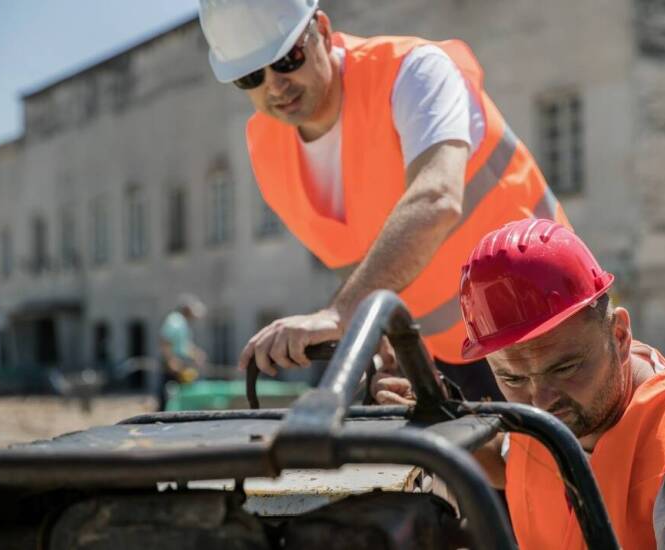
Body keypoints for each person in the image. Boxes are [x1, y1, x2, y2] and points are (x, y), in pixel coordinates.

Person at [197, 0, 569, 400]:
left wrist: (340, 315)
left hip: (549, 329)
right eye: (250, 76)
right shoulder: (267, 150)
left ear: (322, 30)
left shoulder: (413, 71)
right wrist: (393, 351)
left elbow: (436, 199)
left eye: (289, 59)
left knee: (581, 462)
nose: (274, 84)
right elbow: (361, 264)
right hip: (444, 359)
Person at [375, 218, 665, 550]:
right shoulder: (545, 415)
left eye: (565, 369)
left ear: (619, 336)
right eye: (512, 378)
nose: (540, 402)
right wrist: (433, 421)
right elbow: (508, 462)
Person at [158, 294, 208, 410]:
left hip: (181, 364)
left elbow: (183, 345)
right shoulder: (175, 320)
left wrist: (196, 353)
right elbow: (165, 341)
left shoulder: (183, 323)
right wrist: (171, 361)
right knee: (168, 396)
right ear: (187, 309)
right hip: (172, 365)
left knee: (179, 395)